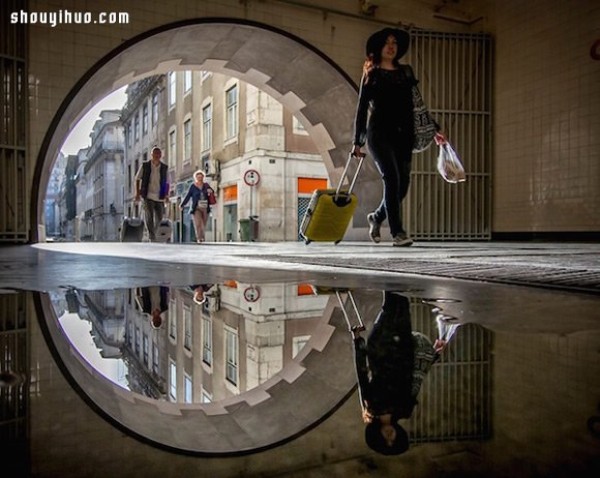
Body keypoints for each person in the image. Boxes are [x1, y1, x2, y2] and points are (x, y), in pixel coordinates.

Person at [352, 28, 446, 247]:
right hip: (379, 133)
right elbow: (361, 108)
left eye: (394, 42)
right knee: (392, 178)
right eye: (387, 42)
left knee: (402, 185)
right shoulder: (371, 74)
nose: (391, 46)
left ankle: (376, 217)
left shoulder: (406, 72)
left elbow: (417, 105)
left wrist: (435, 129)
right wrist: (358, 141)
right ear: (379, 47)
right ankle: (397, 233)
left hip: (404, 134)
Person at [351, 291, 459, 455]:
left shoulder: (372, 406)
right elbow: (416, 378)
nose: (389, 437)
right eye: (392, 441)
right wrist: (433, 355)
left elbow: (362, 373)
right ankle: (394, 274)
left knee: (389, 307)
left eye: (385, 440)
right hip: (403, 349)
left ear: (376, 436)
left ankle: (388, 272)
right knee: (402, 303)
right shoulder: (404, 410)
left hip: (380, 349)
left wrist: (358, 340)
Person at [134, 146, 169, 242]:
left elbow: (166, 182)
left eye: (159, 154)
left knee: (160, 217)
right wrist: (137, 193)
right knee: (149, 216)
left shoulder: (164, 167)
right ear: (151, 155)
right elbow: (137, 179)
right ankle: (151, 236)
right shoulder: (145, 165)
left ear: (161, 155)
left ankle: (153, 232)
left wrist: (166, 195)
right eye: (155, 154)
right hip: (148, 195)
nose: (157, 156)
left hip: (160, 196)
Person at [180, 170, 215, 243]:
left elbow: (212, 191)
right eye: (198, 177)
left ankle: (202, 237)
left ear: (203, 177)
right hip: (196, 208)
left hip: (205, 207)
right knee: (198, 223)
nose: (200, 178)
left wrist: (210, 191)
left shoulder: (206, 185)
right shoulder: (193, 186)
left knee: (203, 224)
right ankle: (199, 238)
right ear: (196, 178)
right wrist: (182, 205)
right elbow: (188, 196)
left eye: (201, 177)